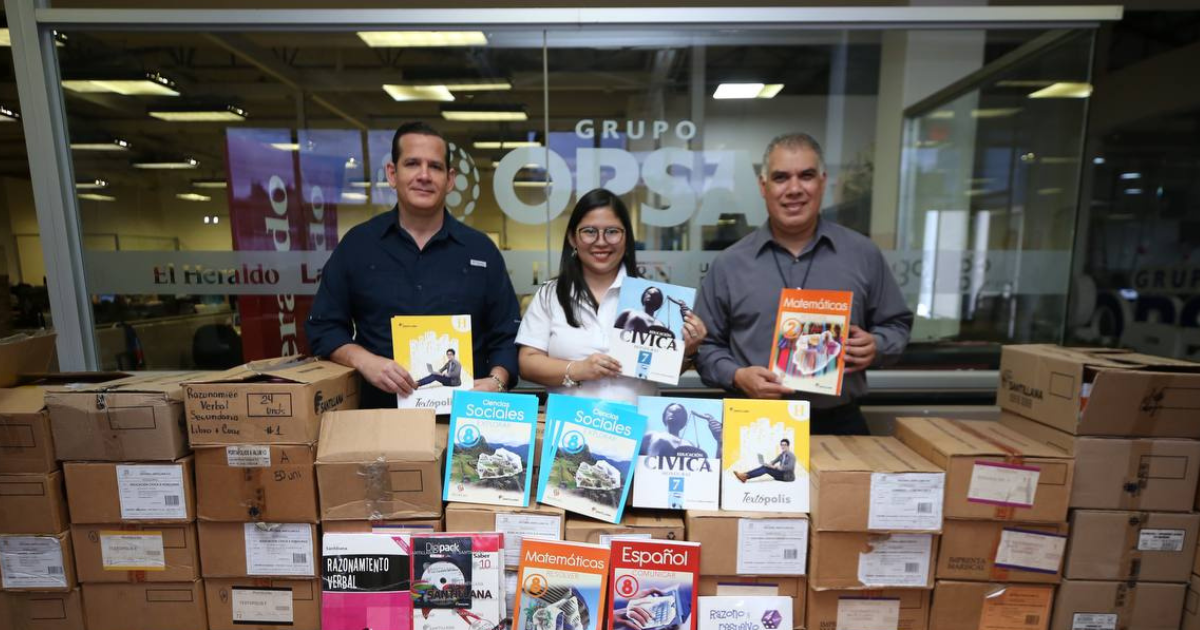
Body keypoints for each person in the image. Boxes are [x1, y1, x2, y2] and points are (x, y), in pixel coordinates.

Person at [694, 132, 913, 434]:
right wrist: (737, 375)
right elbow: (704, 347)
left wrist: (877, 345)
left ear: (822, 182)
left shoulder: (863, 255)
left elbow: (897, 325)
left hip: (840, 424)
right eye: (781, 177)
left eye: (806, 176)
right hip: (754, 424)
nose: (794, 189)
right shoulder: (729, 264)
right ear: (763, 186)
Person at [306, 121, 520, 408]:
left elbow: (507, 334)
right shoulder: (358, 246)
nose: (424, 175)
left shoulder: (482, 251)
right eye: (412, 163)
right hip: (378, 418)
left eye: (435, 166)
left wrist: (497, 381)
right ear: (392, 174)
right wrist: (364, 360)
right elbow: (323, 327)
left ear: (450, 179)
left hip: (464, 418)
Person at [516, 188, 707, 404]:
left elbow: (663, 369)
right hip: (570, 423)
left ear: (626, 238)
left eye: (612, 231)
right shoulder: (551, 295)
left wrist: (688, 350)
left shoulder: (649, 296)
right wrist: (578, 369)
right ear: (572, 238)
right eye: (589, 231)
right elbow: (527, 363)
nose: (601, 241)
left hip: (636, 421)